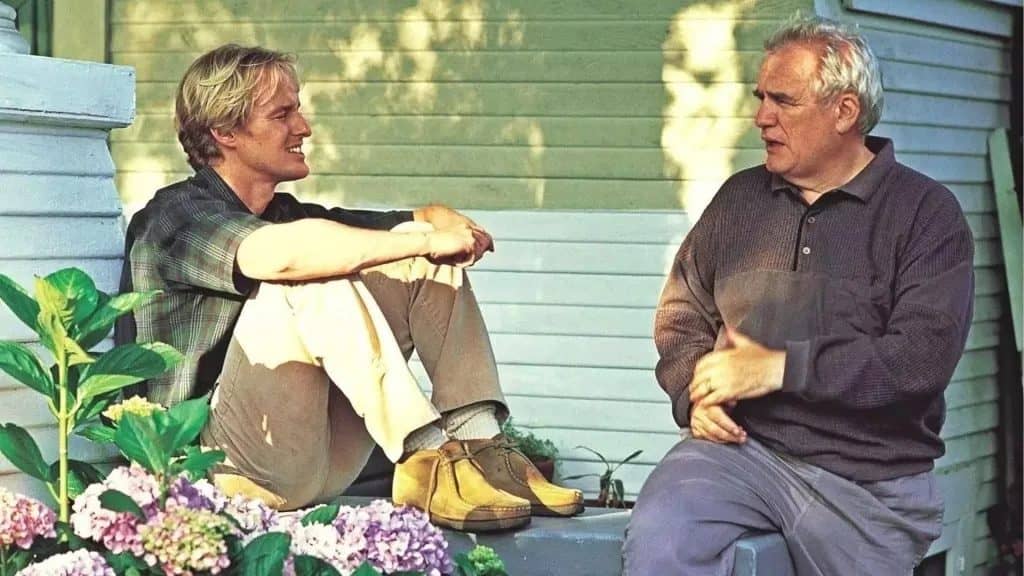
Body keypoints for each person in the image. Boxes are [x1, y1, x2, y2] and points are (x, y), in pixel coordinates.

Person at [116, 44, 582, 531]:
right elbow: (281, 254)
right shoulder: (173, 219)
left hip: (311, 457)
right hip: (208, 472)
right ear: (225, 132)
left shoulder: (285, 214)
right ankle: (426, 456)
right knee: (308, 269)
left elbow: (408, 228)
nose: (304, 127)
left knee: (416, 254)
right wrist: (426, 234)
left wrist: (434, 225)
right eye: (283, 114)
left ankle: (482, 449)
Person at [623, 17, 974, 575]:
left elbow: (920, 359)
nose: (762, 116)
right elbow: (682, 310)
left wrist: (780, 369)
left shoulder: (925, 215)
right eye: (761, 97)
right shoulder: (740, 199)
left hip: (868, 482)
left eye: (784, 101)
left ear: (845, 111)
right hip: (743, 453)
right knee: (660, 543)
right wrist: (697, 391)